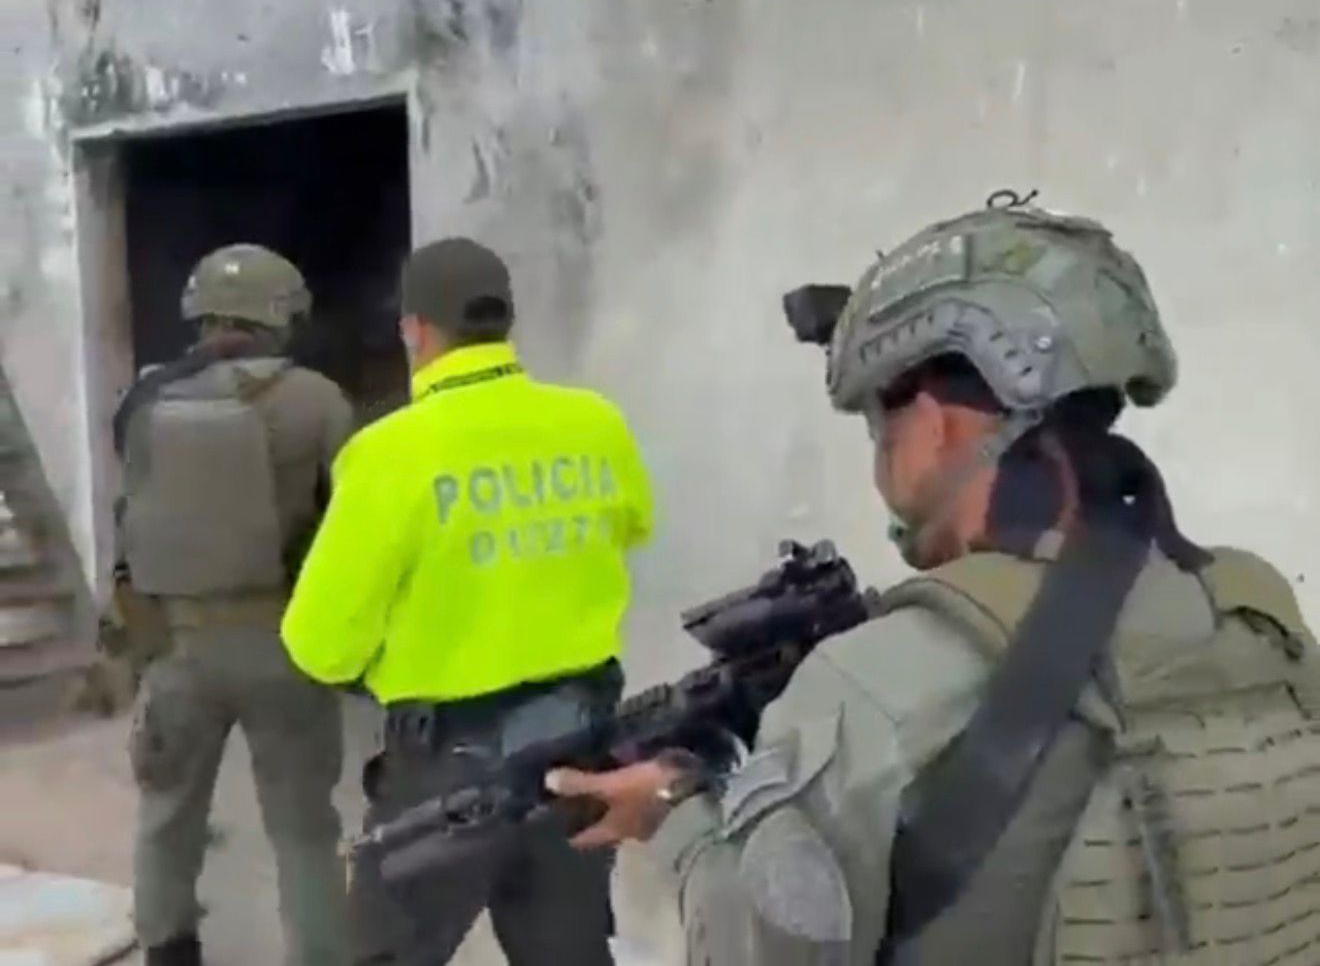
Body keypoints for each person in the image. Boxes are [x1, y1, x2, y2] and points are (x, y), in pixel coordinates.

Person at [547, 198, 1320, 964]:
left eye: (880, 425)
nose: (880, 458)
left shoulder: (872, 686)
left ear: (934, 424)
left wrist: (676, 807)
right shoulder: (1260, 611)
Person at [281, 237, 655, 965]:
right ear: (506, 321)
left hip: (444, 774)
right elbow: (635, 523)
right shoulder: (594, 421)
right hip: (581, 749)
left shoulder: (388, 453)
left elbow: (318, 644)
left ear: (414, 330)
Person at [117, 244, 354, 966]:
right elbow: (350, 524)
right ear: (280, 312)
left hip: (178, 648)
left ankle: (169, 951)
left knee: (166, 818)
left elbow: (131, 513)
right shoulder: (316, 398)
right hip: (285, 643)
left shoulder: (147, 397)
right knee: (305, 829)